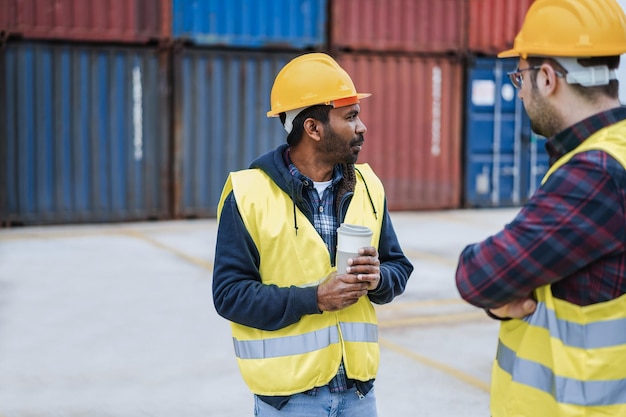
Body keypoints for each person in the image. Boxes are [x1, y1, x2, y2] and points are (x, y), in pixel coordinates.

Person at [212, 52, 413, 416]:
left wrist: (379, 278)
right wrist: (315, 298)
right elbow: (230, 296)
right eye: (350, 117)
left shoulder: (368, 186)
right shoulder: (248, 194)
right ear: (314, 128)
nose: (362, 127)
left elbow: (399, 266)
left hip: (358, 395)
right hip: (291, 401)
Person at [455, 0, 626, 416]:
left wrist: (499, 297)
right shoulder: (611, 153)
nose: (520, 90)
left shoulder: (597, 173)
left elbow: (478, 276)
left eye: (520, 77)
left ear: (547, 77)